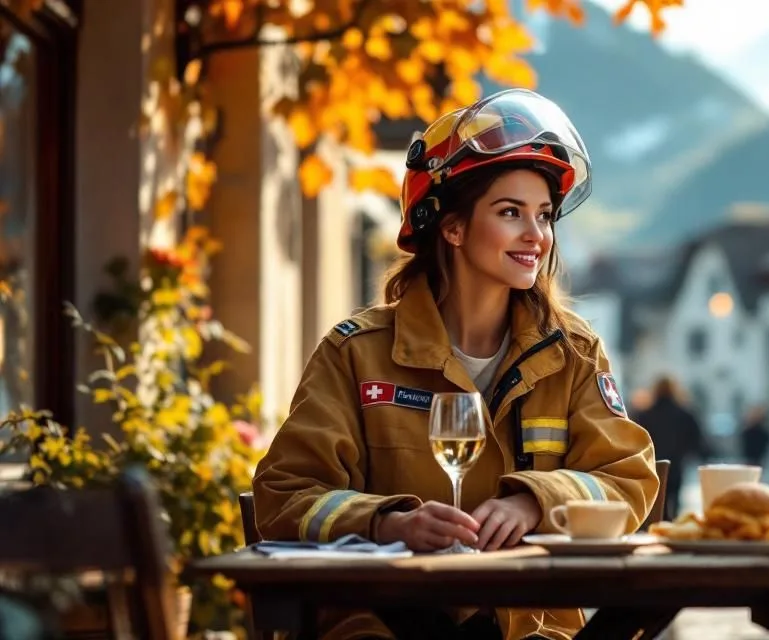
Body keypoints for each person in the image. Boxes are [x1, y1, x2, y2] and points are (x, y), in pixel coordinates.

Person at [252, 89, 660, 640]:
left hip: (533, 628)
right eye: (510, 212)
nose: (536, 236)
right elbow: (286, 495)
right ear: (452, 227)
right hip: (379, 627)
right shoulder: (355, 353)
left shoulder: (574, 353)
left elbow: (627, 476)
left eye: (543, 215)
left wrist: (533, 503)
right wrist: (388, 523)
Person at [631, 376, 707, 520]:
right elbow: (696, 438)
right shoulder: (685, 414)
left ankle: (658, 526)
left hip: (652, 464)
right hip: (676, 464)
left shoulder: (645, 414)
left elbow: (635, 438)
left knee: (657, 501)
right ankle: (671, 527)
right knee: (675, 499)